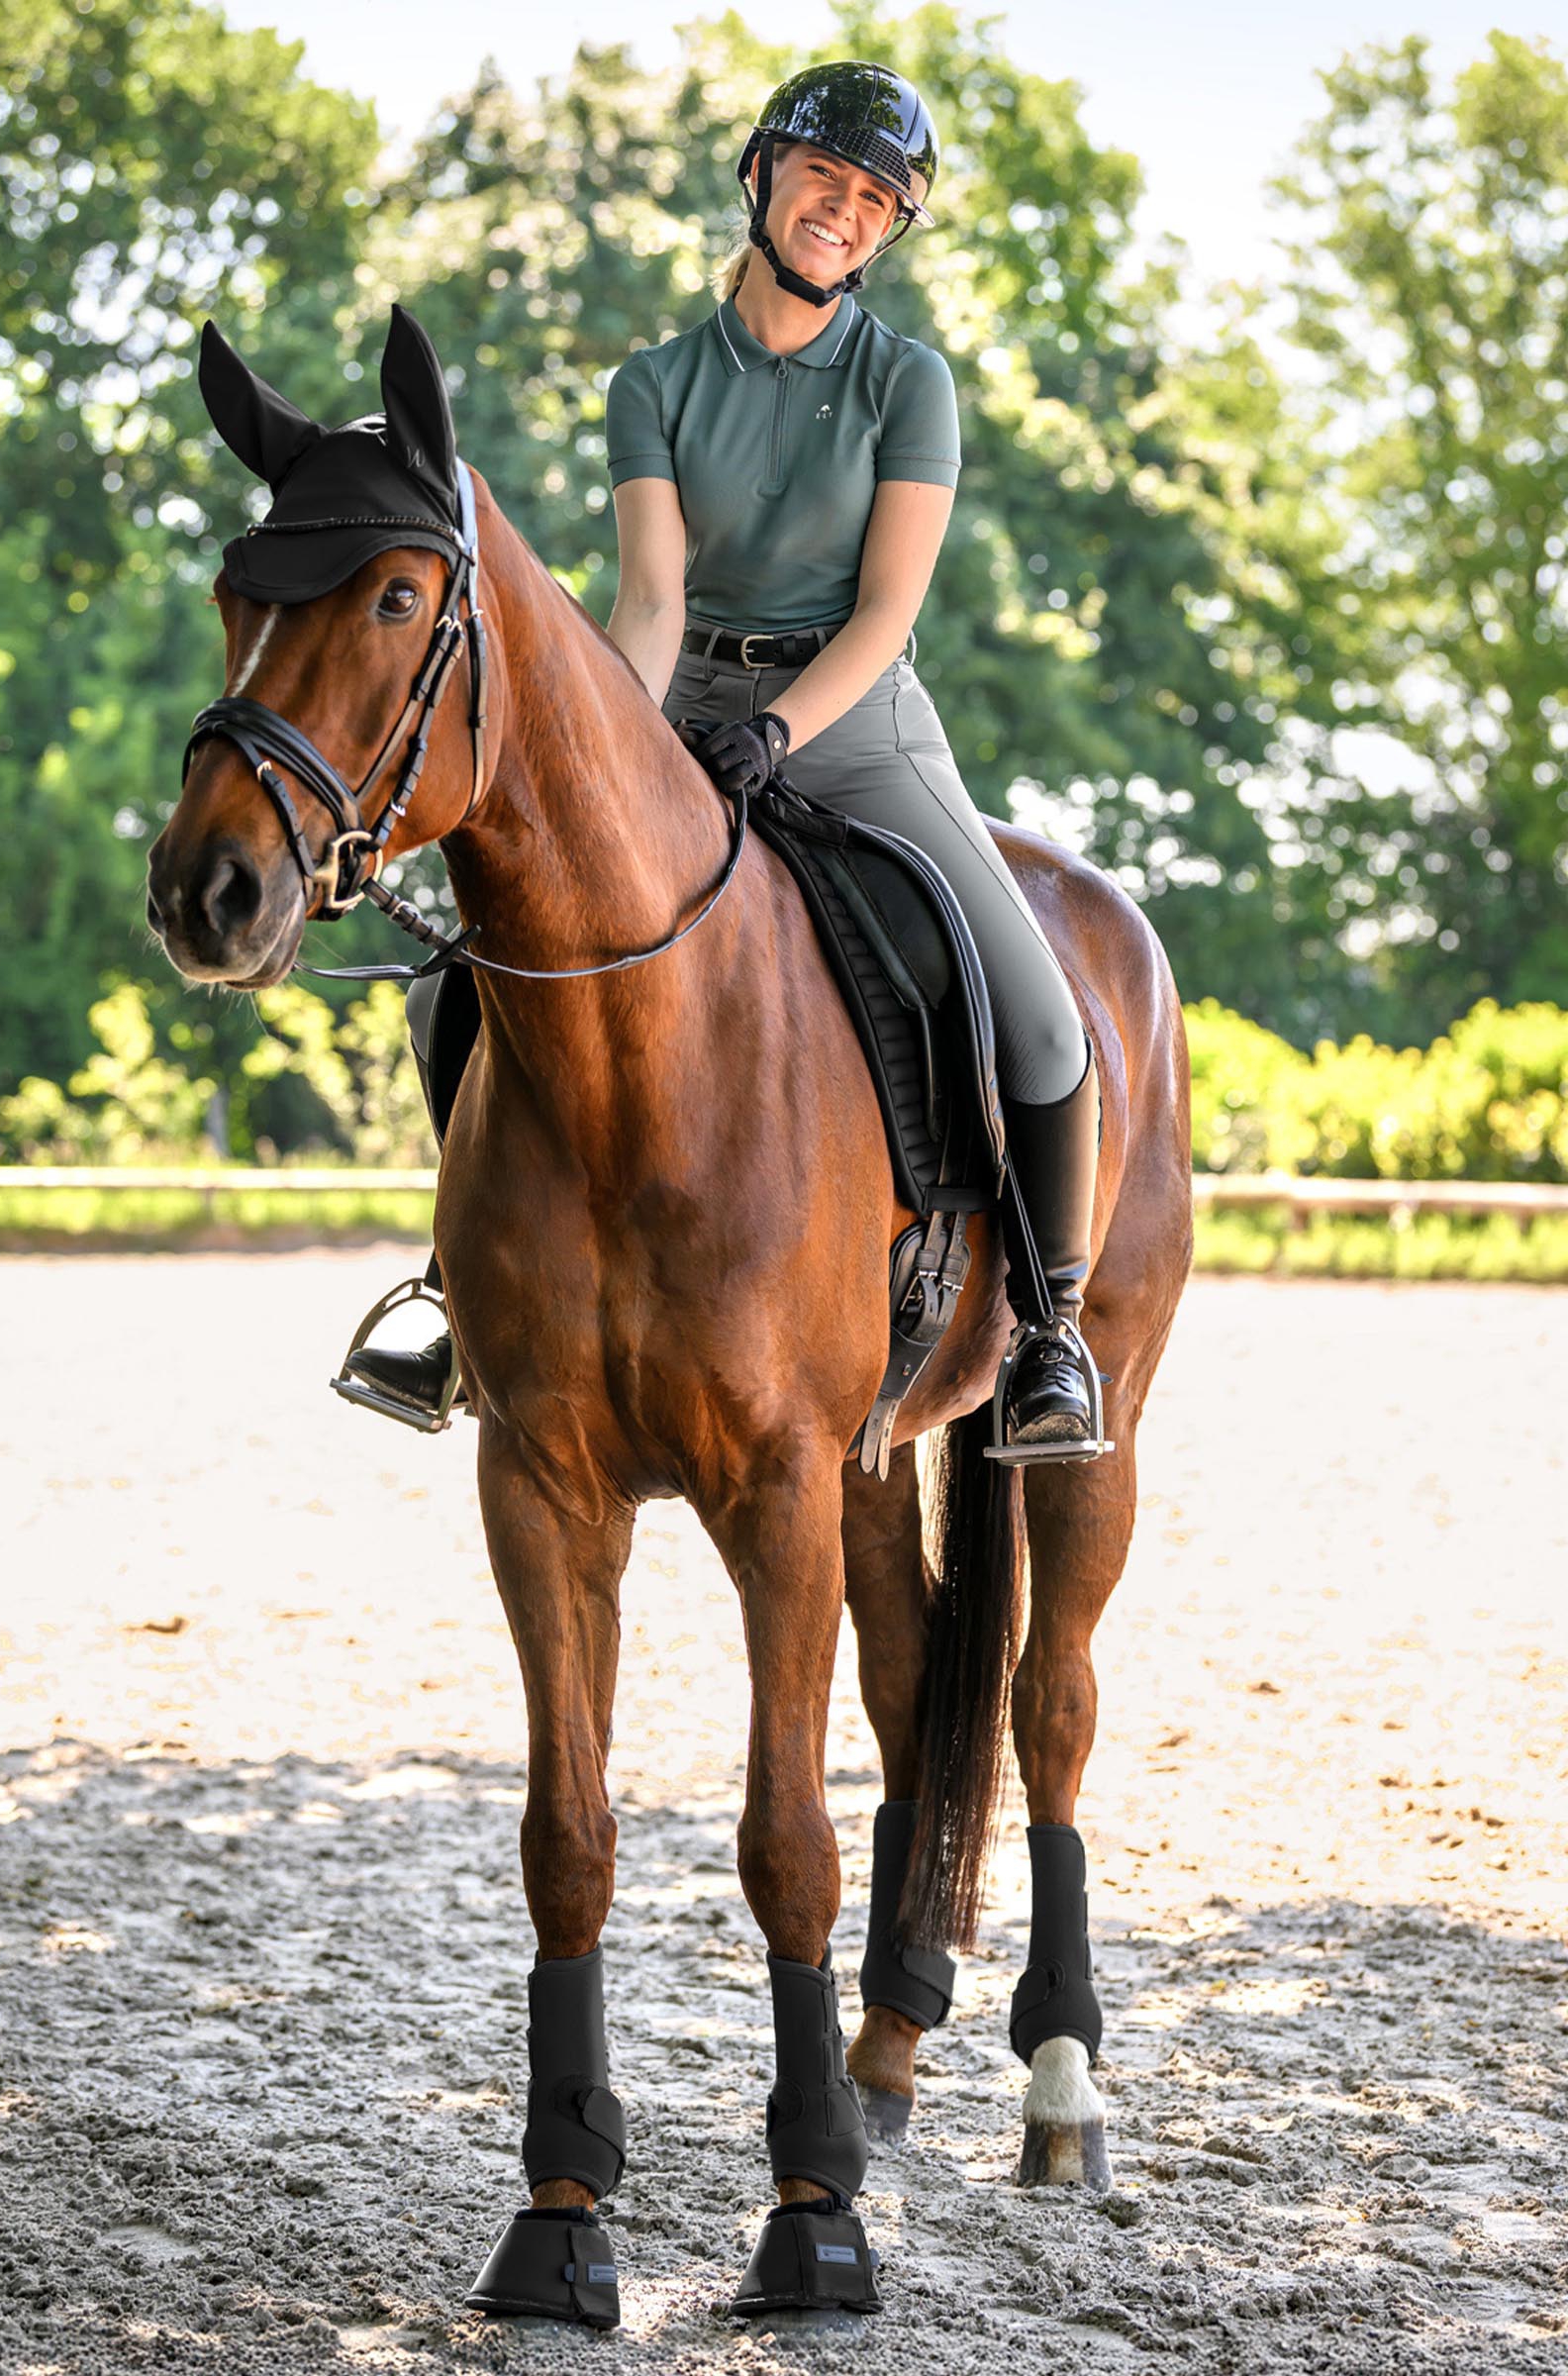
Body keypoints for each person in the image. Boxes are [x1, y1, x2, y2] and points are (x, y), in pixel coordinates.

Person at [345, 60, 1105, 1457]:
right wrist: (627, 753)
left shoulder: (908, 383)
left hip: (858, 724)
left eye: (876, 199)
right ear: (763, 174)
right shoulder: (656, 382)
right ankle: (463, 1292)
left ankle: (1051, 1336)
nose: (844, 209)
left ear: (890, 230)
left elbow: (888, 613)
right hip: (683, 707)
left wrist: (778, 731)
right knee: (465, 972)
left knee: (1041, 1018)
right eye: (825, 176)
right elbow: (647, 599)